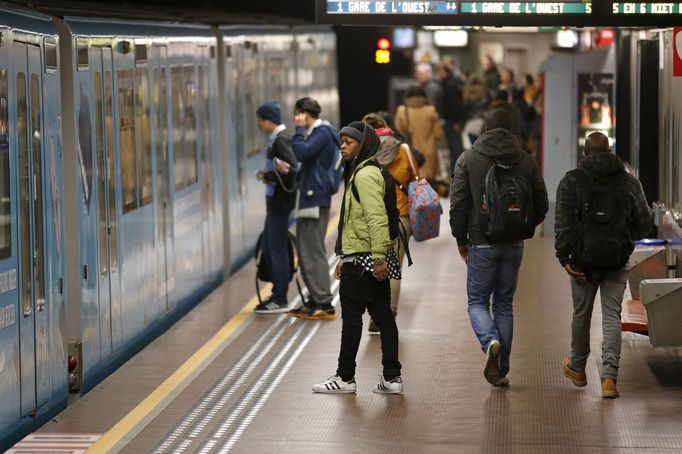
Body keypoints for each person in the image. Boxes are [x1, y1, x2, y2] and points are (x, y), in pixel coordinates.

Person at [449, 109, 548, 387]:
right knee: (504, 304)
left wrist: (461, 239)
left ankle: (490, 341)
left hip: (481, 241)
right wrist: (524, 226)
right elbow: (542, 203)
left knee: (477, 302)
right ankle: (501, 371)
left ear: (485, 128)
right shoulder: (525, 159)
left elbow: (458, 203)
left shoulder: (469, 158)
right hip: (514, 243)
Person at [555, 132, 653, 399]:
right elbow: (644, 224)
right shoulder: (629, 182)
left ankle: (577, 367)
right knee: (611, 316)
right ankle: (609, 379)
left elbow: (562, 223)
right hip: (616, 260)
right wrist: (622, 239)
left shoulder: (572, 180)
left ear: (585, 153)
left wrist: (564, 257)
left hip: (581, 261)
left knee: (582, 314)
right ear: (610, 151)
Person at [312, 121, 403, 394]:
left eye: (348, 142)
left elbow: (375, 219)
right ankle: (392, 378)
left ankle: (345, 377)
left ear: (362, 145)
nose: (342, 145)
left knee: (351, 320)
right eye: (341, 141)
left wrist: (376, 258)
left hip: (365, 260)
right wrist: (345, 256)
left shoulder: (364, 175)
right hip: (366, 256)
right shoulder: (368, 171)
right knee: (384, 318)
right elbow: (356, 222)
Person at [362, 113, 418, 334]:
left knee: (374, 264)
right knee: (394, 267)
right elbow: (416, 177)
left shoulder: (364, 151)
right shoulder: (402, 149)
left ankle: (376, 312)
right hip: (401, 215)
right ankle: (389, 313)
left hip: (371, 217)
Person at [289, 97, 339, 320]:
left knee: (312, 250)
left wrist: (298, 130)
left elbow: (302, 153)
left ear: (304, 114)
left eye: (297, 115)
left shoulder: (321, 133)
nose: (295, 119)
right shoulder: (320, 133)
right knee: (306, 249)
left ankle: (323, 301)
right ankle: (314, 298)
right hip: (311, 197)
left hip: (315, 199)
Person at [254, 101, 298, 313]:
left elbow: (291, 170)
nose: (259, 124)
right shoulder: (279, 139)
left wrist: (268, 175)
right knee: (270, 247)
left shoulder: (281, 141)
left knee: (276, 249)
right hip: (277, 202)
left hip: (280, 203)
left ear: (267, 120)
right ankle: (277, 293)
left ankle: (280, 297)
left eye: (260, 120)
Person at [394, 85, 444, 180]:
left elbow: (397, 133)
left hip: (409, 153)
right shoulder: (430, 110)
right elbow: (438, 134)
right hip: (428, 154)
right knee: (427, 186)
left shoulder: (402, 110)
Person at [437, 61, 465, 171]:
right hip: (451, 120)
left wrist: (456, 122)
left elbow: (453, 105)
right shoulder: (449, 83)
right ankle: (456, 169)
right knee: (454, 146)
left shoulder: (450, 85)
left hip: (452, 121)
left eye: (440, 71)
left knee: (455, 147)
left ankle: (456, 170)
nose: (438, 74)